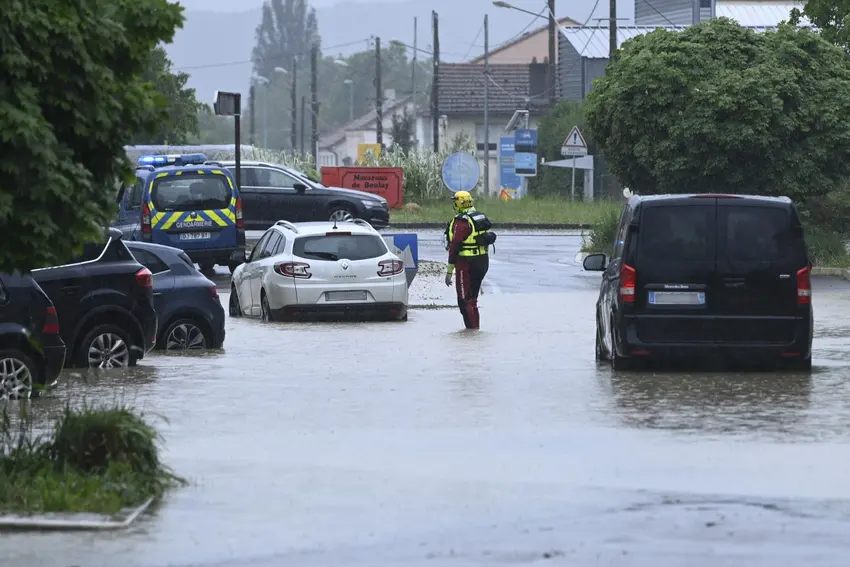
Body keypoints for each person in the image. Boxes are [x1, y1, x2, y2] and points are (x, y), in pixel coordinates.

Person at [444, 190, 496, 329]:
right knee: (472, 300)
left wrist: (449, 271)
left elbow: (455, 246)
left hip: (466, 263)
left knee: (464, 301)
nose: (453, 204)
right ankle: (475, 332)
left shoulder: (462, 222)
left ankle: (471, 335)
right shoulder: (478, 217)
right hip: (482, 261)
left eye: (454, 201)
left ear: (460, 202)